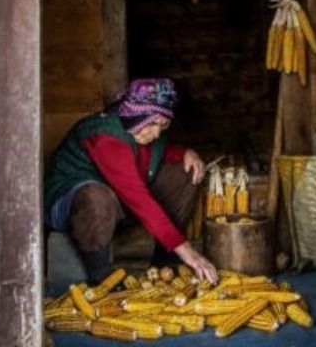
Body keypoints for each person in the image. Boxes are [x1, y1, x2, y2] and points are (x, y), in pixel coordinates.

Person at [45, 78, 219, 285]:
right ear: (135, 114)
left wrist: (185, 153)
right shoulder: (106, 137)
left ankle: (163, 263)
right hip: (72, 205)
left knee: (185, 171)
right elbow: (138, 198)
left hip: (117, 203)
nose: (156, 132)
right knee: (97, 197)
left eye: (163, 124)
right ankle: (99, 278)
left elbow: (154, 151)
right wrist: (186, 250)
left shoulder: (142, 130)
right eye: (152, 123)